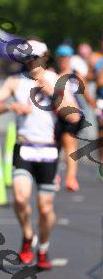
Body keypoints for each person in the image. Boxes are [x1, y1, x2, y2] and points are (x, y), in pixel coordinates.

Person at [0, 39, 80, 269]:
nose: (30, 63)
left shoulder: (57, 80)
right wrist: (10, 106)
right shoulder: (15, 81)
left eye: (34, 58)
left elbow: (74, 116)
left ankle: (43, 247)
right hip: (24, 147)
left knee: (45, 209)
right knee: (19, 198)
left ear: (45, 57)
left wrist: (52, 94)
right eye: (26, 58)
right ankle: (28, 235)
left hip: (48, 150)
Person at [54, 44, 95, 191]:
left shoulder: (75, 75)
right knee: (54, 145)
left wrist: (94, 107)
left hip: (73, 115)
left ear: (70, 58)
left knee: (69, 144)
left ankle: (70, 177)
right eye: (61, 58)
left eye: (66, 57)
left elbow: (86, 94)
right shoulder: (53, 74)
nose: (63, 60)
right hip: (55, 114)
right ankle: (54, 175)